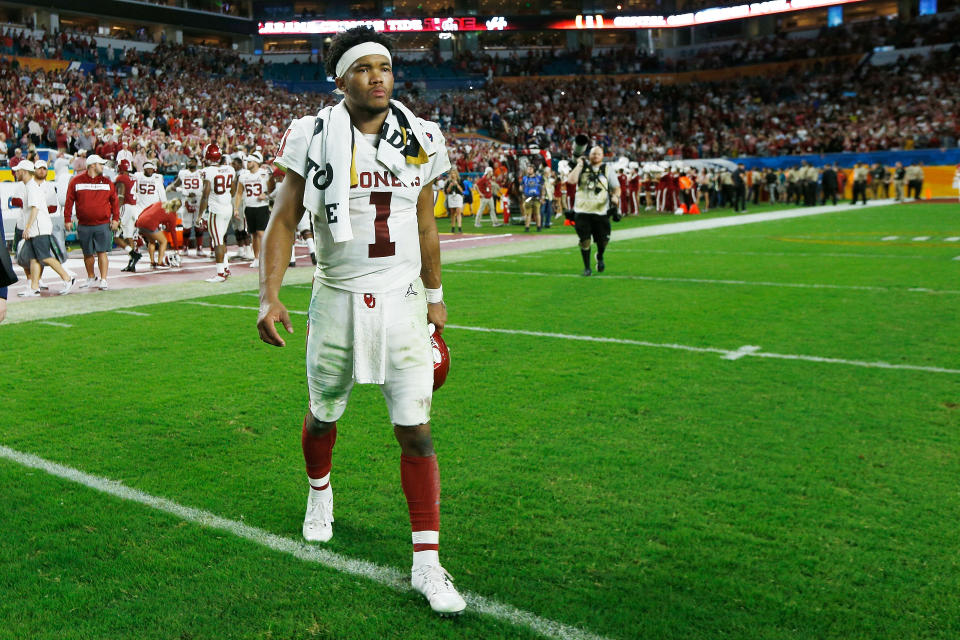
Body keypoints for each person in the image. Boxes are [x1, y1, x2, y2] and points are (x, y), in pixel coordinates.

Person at [256, 26, 465, 617]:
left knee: (416, 429)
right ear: (341, 78)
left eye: (386, 67)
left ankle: (427, 563)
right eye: (365, 67)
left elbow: (425, 224)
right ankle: (319, 494)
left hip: (400, 299)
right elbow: (282, 218)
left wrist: (436, 294)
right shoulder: (311, 132)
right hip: (337, 296)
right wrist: (270, 296)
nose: (379, 76)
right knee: (323, 416)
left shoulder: (422, 136)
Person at [15, 161, 75, 297]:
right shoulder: (30, 186)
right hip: (36, 228)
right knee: (33, 258)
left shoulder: (31, 187)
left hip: (39, 228)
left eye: (18, 171)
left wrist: (27, 228)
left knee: (45, 257)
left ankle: (68, 278)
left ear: (24, 171)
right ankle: (34, 288)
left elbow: (35, 209)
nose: (16, 173)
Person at [63, 154, 118, 290]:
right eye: (101, 164)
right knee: (87, 253)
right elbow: (69, 200)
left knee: (102, 252)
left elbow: (115, 202)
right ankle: (91, 277)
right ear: (93, 165)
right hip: (84, 224)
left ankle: (104, 280)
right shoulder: (76, 181)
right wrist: (67, 219)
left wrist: (116, 219)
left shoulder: (107, 182)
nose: (103, 167)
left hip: (103, 223)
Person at [565, 146, 619, 276]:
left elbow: (616, 187)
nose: (595, 156)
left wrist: (615, 196)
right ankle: (587, 267)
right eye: (593, 153)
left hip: (601, 211)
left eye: (598, 154)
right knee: (585, 240)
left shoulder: (607, 169)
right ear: (589, 155)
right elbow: (571, 181)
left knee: (603, 241)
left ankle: (600, 255)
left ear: (603, 156)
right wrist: (578, 165)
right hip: (582, 210)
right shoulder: (582, 168)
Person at [197, 143, 237, 282]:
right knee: (220, 238)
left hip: (216, 209)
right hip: (227, 208)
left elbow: (205, 195)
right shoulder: (229, 169)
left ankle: (220, 273)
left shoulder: (208, 171)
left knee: (218, 241)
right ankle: (225, 268)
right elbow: (233, 190)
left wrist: (200, 215)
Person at [235, 152, 275, 268]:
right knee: (253, 234)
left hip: (261, 207)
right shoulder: (243, 176)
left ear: (256, 162)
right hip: (249, 207)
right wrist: (236, 208)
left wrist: (266, 194)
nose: (247, 163)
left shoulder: (265, 174)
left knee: (261, 233)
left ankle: (266, 257)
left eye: (250, 161)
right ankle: (256, 258)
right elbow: (239, 193)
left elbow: (274, 189)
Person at [168, 154, 206, 257]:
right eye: (189, 160)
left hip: (199, 200)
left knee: (199, 225)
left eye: (193, 161)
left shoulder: (201, 173)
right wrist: (183, 191)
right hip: (186, 201)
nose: (190, 162)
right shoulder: (183, 173)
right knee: (186, 226)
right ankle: (185, 248)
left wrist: (200, 193)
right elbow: (173, 186)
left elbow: (207, 186)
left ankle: (199, 248)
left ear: (196, 163)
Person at [135, 199, 183, 269]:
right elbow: (173, 232)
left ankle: (152, 262)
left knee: (152, 242)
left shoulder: (159, 203)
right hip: (150, 224)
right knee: (164, 241)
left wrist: (138, 221)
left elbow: (145, 210)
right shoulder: (172, 215)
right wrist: (176, 249)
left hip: (140, 221)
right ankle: (160, 262)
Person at [114, 160, 142, 272]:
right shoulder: (133, 177)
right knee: (128, 236)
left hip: (125, 207)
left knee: (115, 236)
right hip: (134, 207)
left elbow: (121, 195)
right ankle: (132, 263)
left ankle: (133, 254)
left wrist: (117, 214)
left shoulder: (121, 178)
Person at [519, 163, 543, 231]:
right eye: (528, 169)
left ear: (533, 170)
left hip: (536, 197)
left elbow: (542, 187)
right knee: (527, 213)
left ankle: (538, 227)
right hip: (527, 197)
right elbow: (521, 186)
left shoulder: (539, 177)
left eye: (530, 169)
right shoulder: (524, 178)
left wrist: (542, 197)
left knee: (537, 213)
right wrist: (522, 192)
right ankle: (527, 227)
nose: (528, 170)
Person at [444, 168, 464, 233]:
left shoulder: (460, 180)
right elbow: (446, 191)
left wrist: (457, 185)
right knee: (452, 213)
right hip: (451, 197)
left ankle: (459, 228)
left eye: (454, 173)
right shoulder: (448, 181)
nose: (453, 174)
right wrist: (450, 186)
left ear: (456, 174)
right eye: (452, 173)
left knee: (458, 212)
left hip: (458, 196)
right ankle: (452, 228)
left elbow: (462, 190)